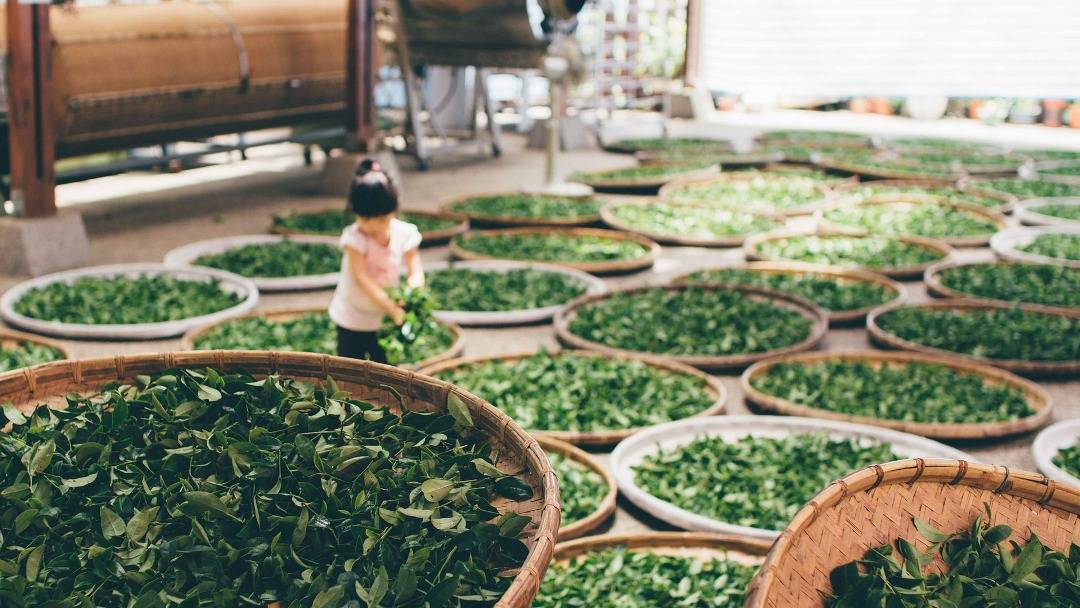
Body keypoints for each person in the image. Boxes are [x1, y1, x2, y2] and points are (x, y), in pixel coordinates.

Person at [328, 159, 424, 363]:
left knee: (386, 370)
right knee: (350, 369)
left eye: (380, 220)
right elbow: (362, 278)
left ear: (394, 211)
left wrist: (411, 293)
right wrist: (391, 307)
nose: (372, 227)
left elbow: (415, 270)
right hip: (352, 317)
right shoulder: (354, 239)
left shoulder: (405, 234)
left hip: (383, 318)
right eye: (364, 219)